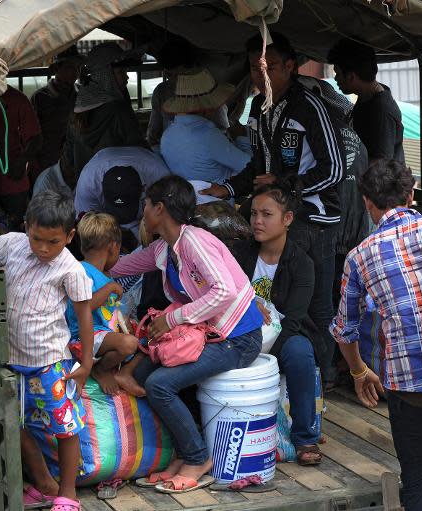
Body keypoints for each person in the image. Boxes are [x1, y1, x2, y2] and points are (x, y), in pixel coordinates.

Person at [202, 32, 345, 389]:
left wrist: (285, 184)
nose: (260, 75)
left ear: (291, 66)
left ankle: (321, 377)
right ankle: (280, 366)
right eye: (254, 68)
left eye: (271, 67)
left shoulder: (309, 106)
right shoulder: (257, 107)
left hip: (314, 216)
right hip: (277, 212)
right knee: (277, 295)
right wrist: (230, 188)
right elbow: (256, 165)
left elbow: (335, 169)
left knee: (318, 305)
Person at [330, 159, 422, 511]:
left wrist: (359, 371)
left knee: (417, 475)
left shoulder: (360, 256)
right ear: (411, 195)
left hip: (412, 382)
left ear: (367, 202)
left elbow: (344, 330)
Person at [110, 175, 262, 493]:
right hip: (212, 335)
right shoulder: (164, 249)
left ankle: (197, 457)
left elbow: (223, 290)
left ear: (160, 208)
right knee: (145, 370)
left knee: (159, 384)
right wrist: (82, 268)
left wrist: (173, 319)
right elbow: (121, 267)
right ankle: (183, 452)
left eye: (147, 205)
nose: (143, 212)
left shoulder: (193, 241)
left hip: (239, 338)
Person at [0, 191, 94, 511]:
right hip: (13, 360)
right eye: (37, 239)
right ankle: (43, 481)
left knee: (65, 426)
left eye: (54, 241)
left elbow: (84, 316)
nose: (43, 249)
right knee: (15, 423)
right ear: (27, 227)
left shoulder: (71, 269)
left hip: (51, 363)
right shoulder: (13, 243)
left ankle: (68, 494)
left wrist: (87, 363)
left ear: (70, 236)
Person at [233, 183, 325, 466]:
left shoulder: (302, 263)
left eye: (267, 214)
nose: (257, 221)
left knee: (299, 350)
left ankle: (304, 437)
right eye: (254, 214)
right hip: (239, 335)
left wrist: (262, 358)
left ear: (287, 220)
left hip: (282, 340)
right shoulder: (240, 253)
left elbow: (294, 322)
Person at [64, 213, 145, 397]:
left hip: (105, 335)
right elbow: (83, 306)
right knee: (129, 344)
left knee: (147, 341)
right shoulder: (82, 271)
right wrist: (108, 289)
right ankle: (100, 369)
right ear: (113, 247)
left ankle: (124, 373)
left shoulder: (105, 275)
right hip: (86, 337)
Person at [160, 68, 250, 185]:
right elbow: (247, 166)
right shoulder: (209, 136)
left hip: (185, 197)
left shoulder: (167, 134)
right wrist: (242, 138)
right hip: (215, 199)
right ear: (207, 107)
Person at [69, 43, 145, 172]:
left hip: (87, 186)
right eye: (121, 72)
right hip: (118, 186)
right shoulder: (119, 111)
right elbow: (141, 153)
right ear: (106, 76)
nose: (126, 77)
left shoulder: (77, 110)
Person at [328, 38, 405, 161]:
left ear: (351, 76)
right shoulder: (366, 97)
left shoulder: (381, 111)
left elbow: (381, 166)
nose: (336, 79)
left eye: (338, 73)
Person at [74, 145, 170, 239]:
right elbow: (87, 228)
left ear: (143, 188)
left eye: (126, 208)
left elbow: (171, 220)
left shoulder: (159, 176)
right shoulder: (88, 184)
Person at [147, 38, 230, 148]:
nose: (173, 80)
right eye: (168, 75)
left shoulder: (208, 91)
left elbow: (222, 131)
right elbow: (153, 131)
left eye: (177, 75)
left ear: (191, 69)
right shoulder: (161, 91)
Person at [0, 85, 43, 231]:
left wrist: (21, 161)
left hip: (11, 182)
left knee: (13, 232)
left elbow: (36, 138)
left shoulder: (17, 99)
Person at [31, 46, 82, 174]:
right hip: (48, 164)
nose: (75, 72)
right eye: (70, 67)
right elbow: (31, 136)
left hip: (76, 162)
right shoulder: (40, 98)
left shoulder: (82, 94)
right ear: (55, 69)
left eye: (78, 67)